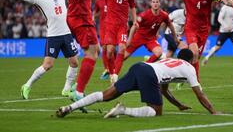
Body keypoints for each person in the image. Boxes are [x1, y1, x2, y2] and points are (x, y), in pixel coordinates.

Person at [56, 49, 219, 118]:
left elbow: (164, 89)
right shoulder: (189, 68)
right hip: (150, 75)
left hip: (140, 67)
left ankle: (69, 108)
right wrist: (213, 111)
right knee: (156, 111)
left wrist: (178, 104)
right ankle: (124, 110)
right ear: (191, 59)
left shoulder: (170, 60)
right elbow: (200, 94)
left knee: (106, 95)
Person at [140, 0, 233, 81]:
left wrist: (232, 3)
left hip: (204, 31)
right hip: (191, 29)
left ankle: (187, 76)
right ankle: (194, 80)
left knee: (196, 57)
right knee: (193, 52)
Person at [0, 0, 78, 99]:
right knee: (48, 65)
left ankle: (66, 89)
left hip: (67, 34)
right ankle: (27, 85)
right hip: (53, 36)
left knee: (74, 63)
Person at [95, 0, 136, 84]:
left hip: (122, 26)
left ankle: (115, 75)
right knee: (109, 51)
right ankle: (111, 71)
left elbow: (133, 7)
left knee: (122, 48)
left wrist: (135, 20)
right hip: (110, 26)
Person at [124, 0, 179, 66]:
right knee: (124, 56)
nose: (155, 4)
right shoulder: (144, 15)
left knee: (159, 52)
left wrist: (175, 37)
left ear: (159, 3)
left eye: (157, 2)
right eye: (153, 2)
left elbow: (170, 25)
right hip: (139, 37)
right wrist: (129, 39)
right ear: (151, 4)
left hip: (151, 39)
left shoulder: (164, 15)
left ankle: (145, 66)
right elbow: (134, 26)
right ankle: (110, 70)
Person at [202, 0, 233, 66]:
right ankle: (207, 57)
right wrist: (226, 26)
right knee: (218, 47)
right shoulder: (225, 7)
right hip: (224, 30)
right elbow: (219, 18)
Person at [93, 0, 110, 80]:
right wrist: (92, 17)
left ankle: (112, 68)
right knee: (104, 48)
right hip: (103, 28)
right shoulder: (98, 1)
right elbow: (96, 12)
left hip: (113, 26)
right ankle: (107, 69)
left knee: (111, 49)